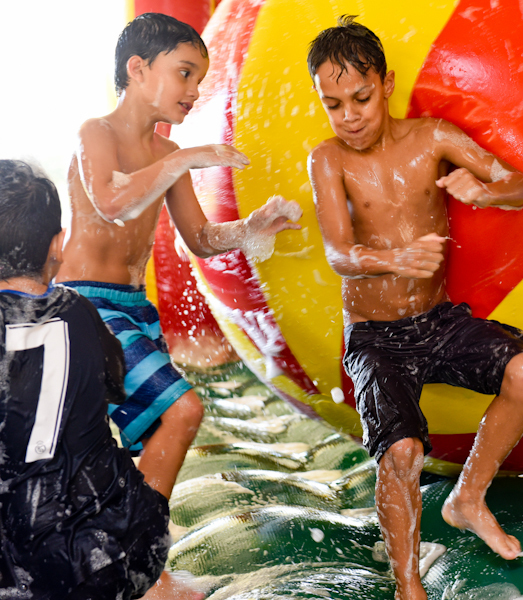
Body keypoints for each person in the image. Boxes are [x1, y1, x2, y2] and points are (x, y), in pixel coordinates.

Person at [55, 14, 301, 598]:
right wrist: (183, 160)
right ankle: (137, 569)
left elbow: (201, 239)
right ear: (138, 69)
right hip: (84, 306)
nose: (194, 90)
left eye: (200, 79)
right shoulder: (98, 133)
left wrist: (252, 227)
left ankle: (146, 569)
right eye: (185, 73)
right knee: (183, 412)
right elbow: (112, 201)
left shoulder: (168, 152)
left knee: (150, 442)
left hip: (132, 308)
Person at [306, 16, 523, 600]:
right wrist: (394, 259)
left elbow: (522, 186)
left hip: (437, 322)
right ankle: (409, 587)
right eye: (333, 105)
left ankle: (468, 497)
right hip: (374, 335)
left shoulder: (433, 138)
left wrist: (485, 191)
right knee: (402, 452)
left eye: (361, 98)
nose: (349, 116)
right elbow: (339, 254)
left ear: (387, 84)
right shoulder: (328, 159)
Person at [0, 160, 170, 600]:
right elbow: (113, 388)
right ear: (58, 244)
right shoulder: (81, 311)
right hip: (114, 554)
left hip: (19, 569)